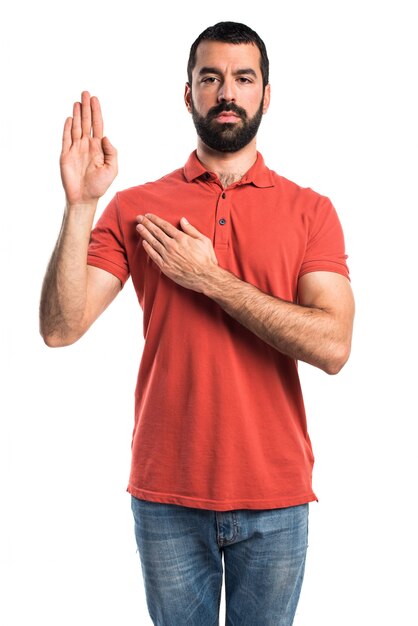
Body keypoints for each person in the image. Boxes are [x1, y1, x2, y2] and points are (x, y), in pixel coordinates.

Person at [40, 21, 354, 626]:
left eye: (243, 78)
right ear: (188, 94)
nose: (226, 92)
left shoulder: (311, 210)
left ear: (266, 93)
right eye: (210, 78)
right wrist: (81, 206)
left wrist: (211, 280)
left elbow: (334, 346)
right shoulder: (135, 206)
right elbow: (60, 327)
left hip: (276, 495)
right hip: (166, 496)